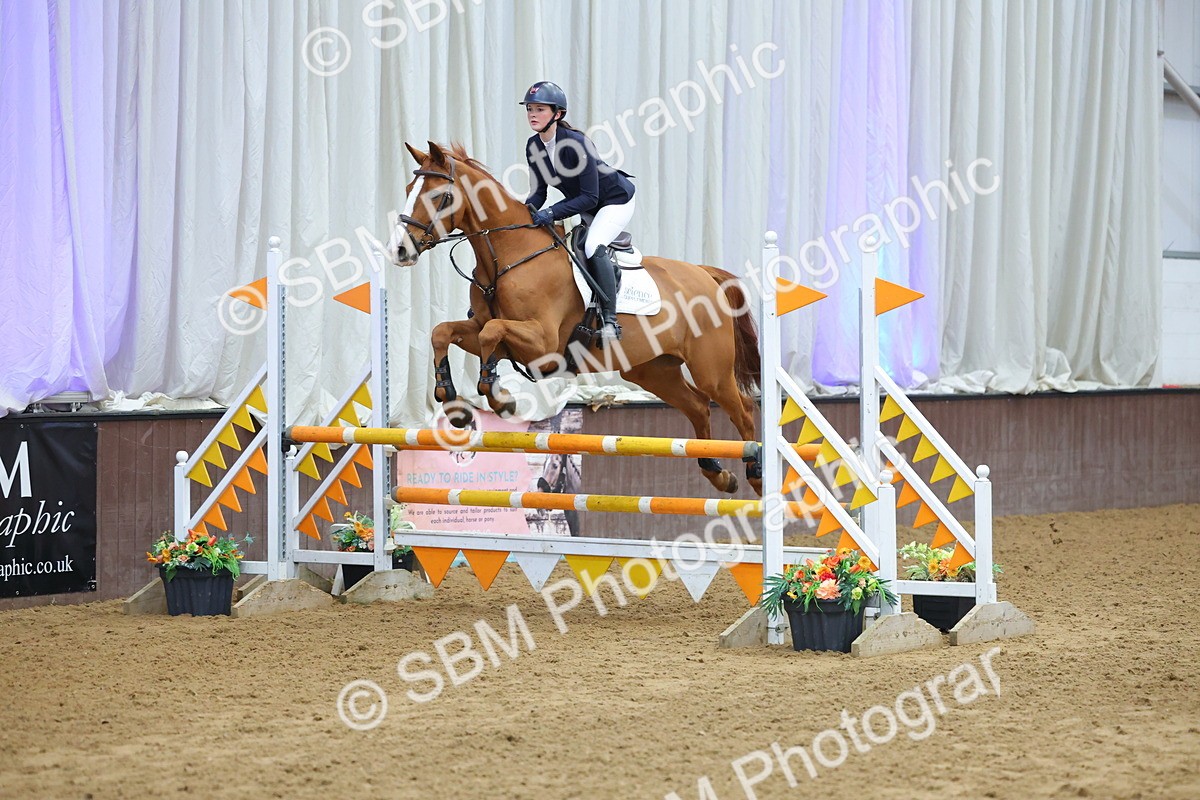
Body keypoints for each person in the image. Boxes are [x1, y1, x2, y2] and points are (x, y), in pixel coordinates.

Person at [520, 81, 635, 343]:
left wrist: (551, 213)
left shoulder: (576, 143)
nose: (533, 115)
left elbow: (590, 196)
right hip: (585, 204)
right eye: (529, 109)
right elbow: (538, 193)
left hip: (614, 200)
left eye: (540, 109)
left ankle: (610, 320)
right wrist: (523, 214)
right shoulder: (534, 146)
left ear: (558, 114)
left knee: (593, 245)